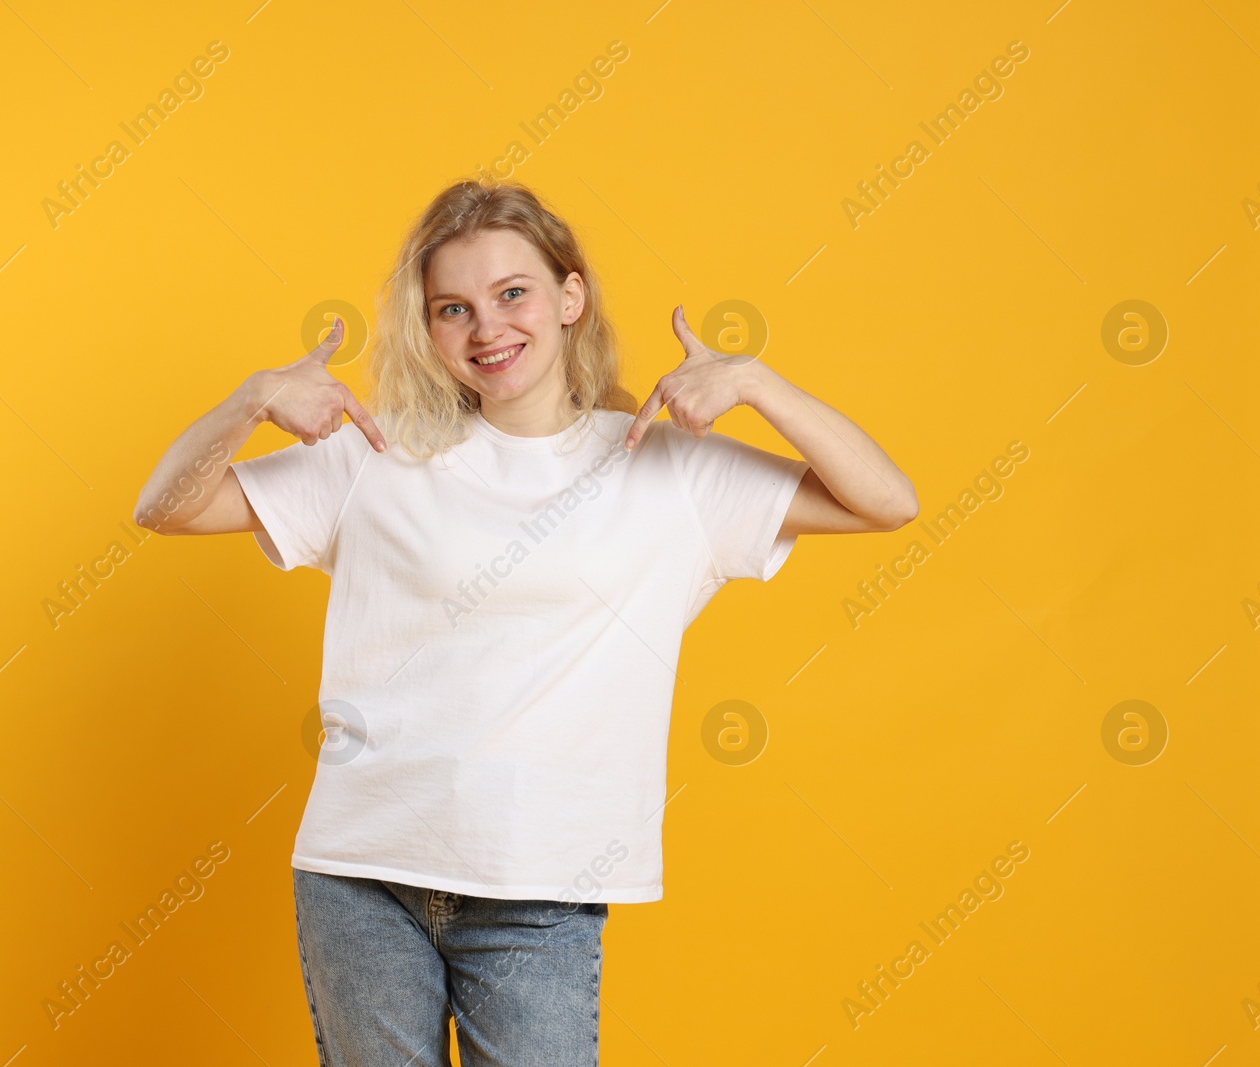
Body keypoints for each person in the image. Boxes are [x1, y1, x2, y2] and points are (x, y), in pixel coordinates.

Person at [132, 179, 918, 1066]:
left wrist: (755, 381)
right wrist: (249, 403)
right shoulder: (374, 451)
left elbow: (887, 501)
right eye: (452, 308)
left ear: (569, 297)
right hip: (362, 874)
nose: (487, 328)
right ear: (428, 329)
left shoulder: (667, 468)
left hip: (544, 884)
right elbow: (164, 508)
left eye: (514, 294)